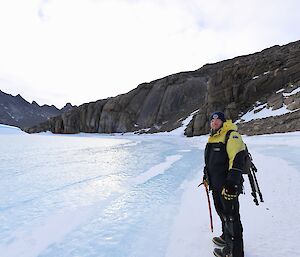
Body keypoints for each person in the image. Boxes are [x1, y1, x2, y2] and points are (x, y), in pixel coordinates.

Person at [203, 111, 246, 257]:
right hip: (216, 185)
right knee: (223, 214)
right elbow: (211, 162)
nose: (214, 122)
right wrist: (206, 176)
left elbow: (237, 160)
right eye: (212, 120)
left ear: (222, 121)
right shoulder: (213, 137)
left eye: (217, 120)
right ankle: (226, 238)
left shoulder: (231, 135)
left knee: (232, 218)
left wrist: (231, 184)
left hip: (228, 186)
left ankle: (234, 252)